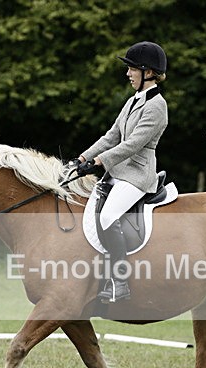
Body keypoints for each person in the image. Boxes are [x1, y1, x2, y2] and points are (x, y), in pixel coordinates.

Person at [74, 41, 169, 303]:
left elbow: (133, 144)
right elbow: (111, 136)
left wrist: (99, 162)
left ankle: (119, 282)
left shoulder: (157, 105)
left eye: (132, 69)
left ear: (149, 72)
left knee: (107, 216)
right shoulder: (132, 101)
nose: (128, 73)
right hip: (118, 172)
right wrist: (82, 157)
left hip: (138, 176)